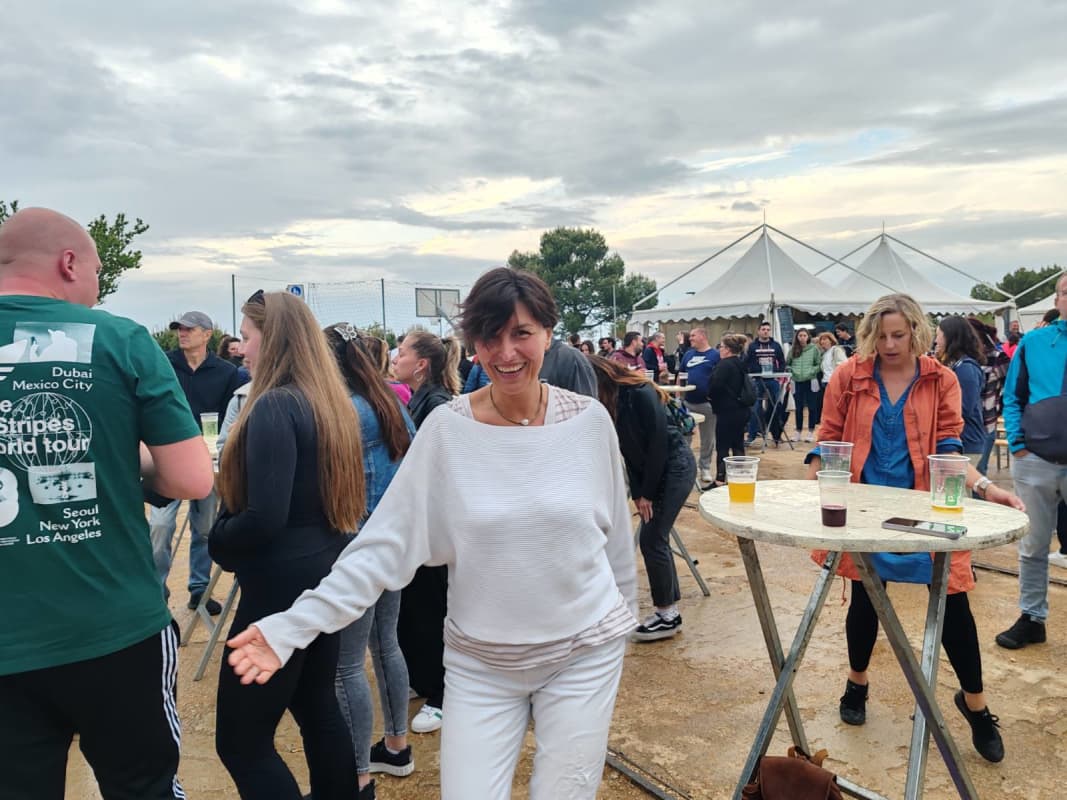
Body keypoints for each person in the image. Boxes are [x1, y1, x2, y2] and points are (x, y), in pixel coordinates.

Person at [224, 267, 636, 800]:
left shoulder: (589, 422)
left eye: (522, 333)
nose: (506, 352)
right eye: (489, 336)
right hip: (482, 664)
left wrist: (623, 623)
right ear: (472, 344)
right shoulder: (447, 430)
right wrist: (290, 628)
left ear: (548, 334)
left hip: (585, 653)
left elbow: (615, 538)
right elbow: (382, 548)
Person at [0, 207, 214, 800]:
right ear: (69, 263)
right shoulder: (119, 339)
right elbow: (192, 478)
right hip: (113, 624)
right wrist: (124, 458)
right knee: (143, 787)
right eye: (97, 272)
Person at [809, 293, 1023, 764]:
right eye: (881, 336)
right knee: (866, 597)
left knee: (953, 604)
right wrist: (819, 482)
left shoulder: (941, 379)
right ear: (869, 334)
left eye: (899, 335)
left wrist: (986, 487)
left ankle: (975, 705)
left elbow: (949, 448)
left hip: (925, 510)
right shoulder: (849, 376)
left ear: (917, 333)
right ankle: (857, 683)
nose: (890, 345)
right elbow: (828, 436)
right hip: (863, 509)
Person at [209, 290, 365, 799]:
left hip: (278, 588)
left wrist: (219, 540)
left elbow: (265, 517)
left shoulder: (276, 404)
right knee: (317, 707)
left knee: (242, 743)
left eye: (246, 337)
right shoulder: (328, 403)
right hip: (320, 573)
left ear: (271, 338)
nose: (239, 348)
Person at [325, 323, 418, 797]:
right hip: (390, 543)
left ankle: (358, 776)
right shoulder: (390, 402)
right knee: (386, 645)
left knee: (346, 666)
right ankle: (396, 746)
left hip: (355, 546)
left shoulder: (343, 410)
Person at [589, 356, 696, 641]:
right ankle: (668, 609)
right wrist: (638, 493)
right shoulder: (612, 401)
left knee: (652, 538)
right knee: (655, 536)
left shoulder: (640, 393)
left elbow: (658, 444)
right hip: (655, 471)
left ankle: (668, 615)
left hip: (675, 467)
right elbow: (629, 452)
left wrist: (647, 492)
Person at [390, 329, 461, 733]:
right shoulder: (418, 399)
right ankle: (424, 678)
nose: (394, 359)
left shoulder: (437, 405)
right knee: (415, 608)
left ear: (420, 365)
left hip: (435, 526)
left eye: (401, 353)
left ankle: (443, 693)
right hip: (419, 522)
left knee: (433, 611)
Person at [150, 310, 243, 615]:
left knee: (204, 528)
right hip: (168, 456)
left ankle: (199, 588)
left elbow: (232, 415)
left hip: (207, 457)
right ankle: (157, 589)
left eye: (189, 329)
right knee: (160, 526)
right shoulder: (163, 363)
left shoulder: (226, 372)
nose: (182, 333)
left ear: (207, 334)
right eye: (179, 328)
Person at [995, 272, 1067, 651]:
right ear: (1057, 301)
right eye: (1066, 292)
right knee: (1034, 544)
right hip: (1036, 459)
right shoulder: (1035, 342)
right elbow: (1013, 395)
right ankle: (1032, 617)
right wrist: (1017, 442)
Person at [934, 316, 988, 458]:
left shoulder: (966, 368)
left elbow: (963, 408)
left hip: (967, 443)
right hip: (960, 441)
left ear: (950, 337)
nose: (936, 341)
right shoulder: (956, 365)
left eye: (938, 335)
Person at [706, 334, 753, 486]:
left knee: (723, 446)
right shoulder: (740, 363)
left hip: (727, 410)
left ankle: (720, 480)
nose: (719, 349)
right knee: (738, 444)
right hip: (741, 409)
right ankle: (739, 478)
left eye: (721, 347)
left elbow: (715, 386)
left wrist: (710, 397)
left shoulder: (724, 365)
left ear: (727, 349)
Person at [679, 327, 720, 485]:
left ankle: (705, 467)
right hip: (688, 402)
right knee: (685, 436)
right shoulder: (688, 354)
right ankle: (685, 467)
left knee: (707, 438)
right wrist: (678, 395)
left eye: (693, 336)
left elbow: (719, 377)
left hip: (707, 403)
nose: (690, 338)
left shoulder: (715, 355)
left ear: (703, 336)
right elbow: (681, 374)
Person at [744, 321, 786, 445]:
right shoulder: (752, 346)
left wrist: (777, 372)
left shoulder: (776, 345)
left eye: (768, 329)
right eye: (763, 329)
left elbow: (782, 361)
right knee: (755, 407)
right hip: (757, 380)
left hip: (772, 380)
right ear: (758, 331)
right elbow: (747, 362)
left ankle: (776, 435)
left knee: (777, 406)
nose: (766, 331)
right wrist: (753, 372)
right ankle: (752, 435)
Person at [786, 328, 821, 443]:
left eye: (804, 335)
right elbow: (788, 364)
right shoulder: (793, 349)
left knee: (812, 407)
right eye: (800, 335)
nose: (802, 337)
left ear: (808, 337)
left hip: (811, 380)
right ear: (797, 337)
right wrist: (792, 371)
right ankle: (798, 431)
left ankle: (810, 432)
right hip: (796, 381)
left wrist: (812, 371)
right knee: (798, 407)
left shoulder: (814, 349)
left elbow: (818, 364)